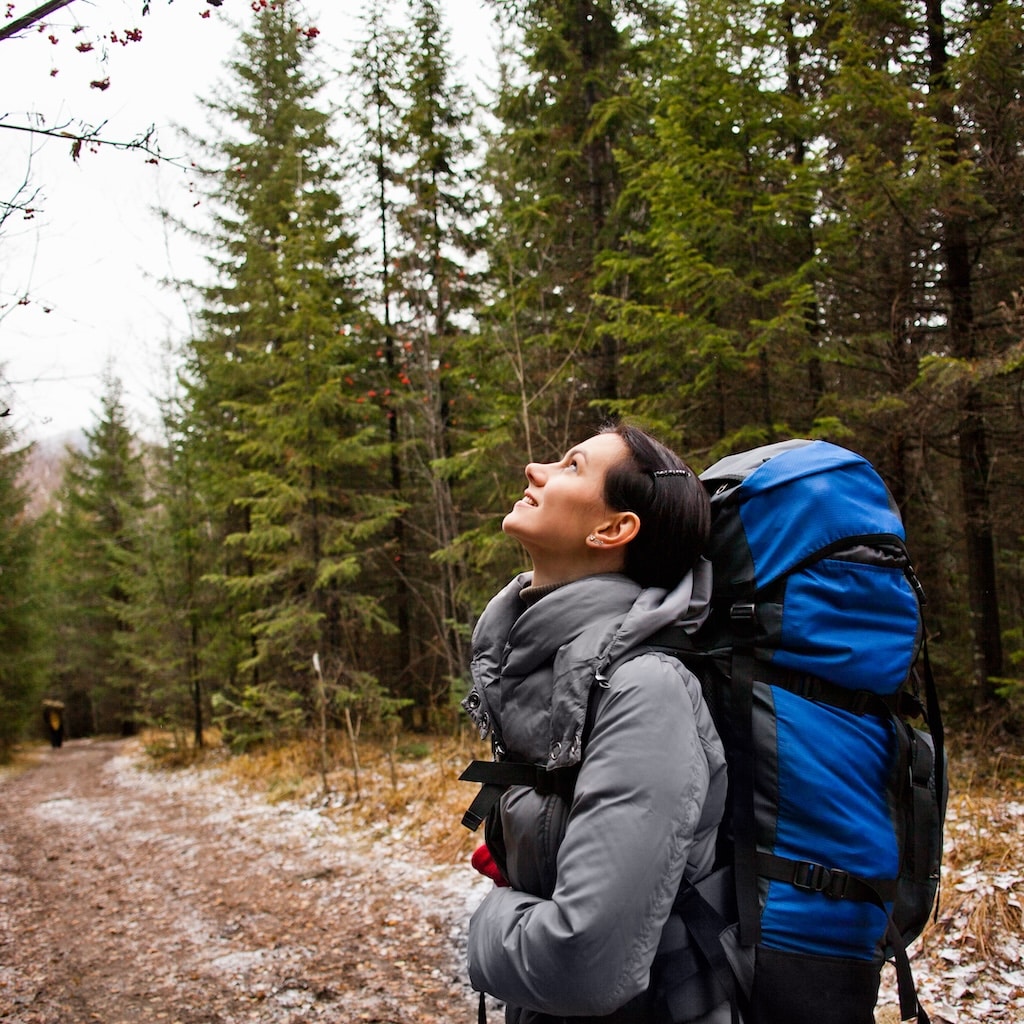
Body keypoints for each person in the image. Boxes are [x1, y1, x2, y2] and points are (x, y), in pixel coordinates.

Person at [462, 422, 728, 1024]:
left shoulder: (645, 690)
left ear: (613, 529)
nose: (535, 470)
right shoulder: (563, 673)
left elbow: (582, 962)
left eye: (571, 466)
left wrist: (484, 920)